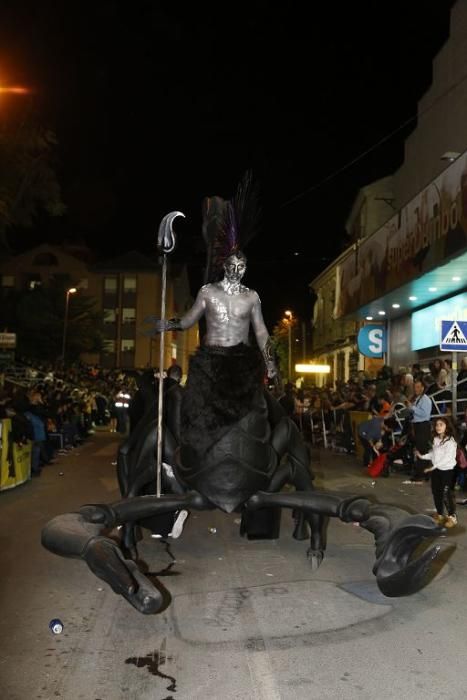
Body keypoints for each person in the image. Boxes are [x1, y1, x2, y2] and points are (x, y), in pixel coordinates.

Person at [416, 417, 458, 528]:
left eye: (441, 424)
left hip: (447, 471)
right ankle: (440, 515)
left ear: (446, 427)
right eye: (437, 425)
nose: (438, 427)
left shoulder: (451, 442)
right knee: (436, 493)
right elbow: (433, 454)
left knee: (445, 494)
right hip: (436, 471)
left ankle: (452, 517)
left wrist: (433, 467)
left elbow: (447, 458)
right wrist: (422, 456)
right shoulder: (436, 439)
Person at [406, 378, 433, 483]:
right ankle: (423, 473)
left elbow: (424, 414)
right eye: (415, 387)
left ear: (422, 388)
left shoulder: (425, 399)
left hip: (423, 426)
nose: (416, 389)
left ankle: (421, 474)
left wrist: (412, 408)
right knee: (420, 450)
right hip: (418, 425)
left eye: (418, 387)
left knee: (422, 450)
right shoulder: (418, 399)